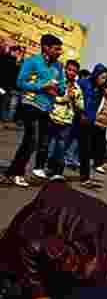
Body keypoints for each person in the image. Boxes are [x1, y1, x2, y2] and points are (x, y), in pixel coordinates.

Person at [2, 34, 64, 188]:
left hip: (46, 108)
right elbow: (20, 82)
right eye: (56, 49)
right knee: (31, 139)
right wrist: (41, 86)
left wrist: (57, 88)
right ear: (46, 48)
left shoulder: (58, 67)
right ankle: (17, 173)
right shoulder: (32, 62)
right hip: (30, 105)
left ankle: (11, 172)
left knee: (40, 143)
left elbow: (62, 89)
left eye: (60, 49)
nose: (59, 52)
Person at [45, 58, 83, 182]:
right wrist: (63, 99)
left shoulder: (77, 88)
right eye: (69, 69)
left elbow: (81, 106)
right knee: (49, 145)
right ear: (65, 69)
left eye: (74, 71)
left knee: (61, 146)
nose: (71, 72)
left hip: (67, 120)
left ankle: (58, 171)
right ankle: (47, 168)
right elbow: (50, 95)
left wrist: (74, 99)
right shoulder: (57, 82)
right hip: (52, 116)